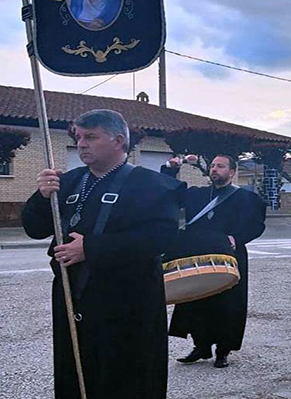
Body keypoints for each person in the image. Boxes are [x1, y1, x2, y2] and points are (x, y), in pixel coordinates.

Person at [22, 110, 184, 399]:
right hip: (74, 296)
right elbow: (34, 228)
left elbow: (161, 238)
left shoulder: (153, 185)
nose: (81, 143)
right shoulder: (67, 182)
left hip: (127, 303)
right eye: (79, 137)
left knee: (126, 377)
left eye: (91, 137)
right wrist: (41, 198)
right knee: (77, 371)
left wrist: (91, 248)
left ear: (119, 140)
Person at [163, 154, 267, 369]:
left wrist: (238, 238)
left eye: (220, 166)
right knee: (195, 301)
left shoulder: (246, 198)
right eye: (212, 165)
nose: (214, 169)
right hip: (197, 254)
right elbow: (169, 192)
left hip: (228, 255)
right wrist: (171, 168)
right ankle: (201, 346)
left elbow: (257, 225)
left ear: (231, 172)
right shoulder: (197, 194)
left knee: (227, 304)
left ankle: (222, 350)